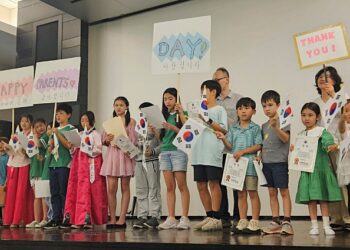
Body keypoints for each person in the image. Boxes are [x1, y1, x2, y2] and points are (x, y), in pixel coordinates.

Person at [294, 102, 342, 235]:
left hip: (321, 170)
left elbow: (328, 142)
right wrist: (294, 152)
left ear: (318, 117)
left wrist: (330, 145)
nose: (306, 118)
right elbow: (298, 152)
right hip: (308, 171)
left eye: (310, 115)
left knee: (323, 199)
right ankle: (314, 225)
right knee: (311, 200)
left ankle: (326, 225)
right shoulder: (301, 134)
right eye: (303, 115)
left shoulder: (322, 131)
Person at [217, 97, 262, 234]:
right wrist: (224, 139)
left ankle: (254, 220)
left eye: (247, 108)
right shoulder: (233, 129)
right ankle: (243, 219)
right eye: (240, 108)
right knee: (241, 194)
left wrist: (243, 151)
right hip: (237, 167)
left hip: (250, 165)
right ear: (237, 111)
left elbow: (258, 145)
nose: (243, 111)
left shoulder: (255, 128)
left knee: (252, 193)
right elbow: (230, 147)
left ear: (253, 111)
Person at [313, 66, 350, 231]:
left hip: (341, 145)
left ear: (335, 80)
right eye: (320, 77)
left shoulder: (343, 97)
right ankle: (336, 218)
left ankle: (348, 217)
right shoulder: (315, 103)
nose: (323, 79)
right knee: (329, 182)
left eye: (327, 77)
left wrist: (334, 96)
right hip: (322, 146)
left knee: (344, 181)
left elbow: (346, 117)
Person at [192, 80, 227, 231]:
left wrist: (207, 119)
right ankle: (209, 215)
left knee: (213, 182)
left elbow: (224, 130)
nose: (202, 94)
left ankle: (217, 218)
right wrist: (182, 113)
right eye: (201, 91)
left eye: (204, 91)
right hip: (198, 150)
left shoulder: (220, 109)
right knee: (200, 184)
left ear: (213, 92)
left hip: (212, 150)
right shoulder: (197, 109)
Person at [62, 111, 108, 229]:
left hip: (91, 164)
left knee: (92, 190)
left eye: (86, 120)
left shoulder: (95, 134)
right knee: (78, 190)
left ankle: (89, 218)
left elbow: (98, 150)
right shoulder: (80, 134)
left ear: (92, 121)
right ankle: (78, 218)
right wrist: (72, 147)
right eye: (82, 120)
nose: (84, 123)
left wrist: (87, 149)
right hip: (79, 166)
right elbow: (74, 152)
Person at [259, 90, 293, 235]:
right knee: (271, 192)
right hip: (266, 163)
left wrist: (276, 127)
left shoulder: (284, 120)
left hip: (280, 162)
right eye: (264, 106)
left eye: (270, 105)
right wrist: (259, 155)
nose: (267, 108)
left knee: (283, 191)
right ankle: (275, 219)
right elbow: (264, 143)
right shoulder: (263, 125)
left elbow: (285, 139)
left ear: (278, 105)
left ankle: (287, 221)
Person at [101, 97, 137, 229]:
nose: (119, 107)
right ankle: (112, 218)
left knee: (125, 187)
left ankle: (122, 218)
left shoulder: (131, 121)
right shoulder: (109, 123)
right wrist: (107, 139)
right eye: (116, 105)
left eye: (121, 105)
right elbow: (103, 141)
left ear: (126, 106)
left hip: (125, 156)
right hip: (113, 156)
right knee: (111, 188)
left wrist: (126, 142)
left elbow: (134, 140)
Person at [157, 88, 190, 230]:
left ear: (177, 99)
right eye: (165, 99)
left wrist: (174, 124)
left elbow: (187, 133)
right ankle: (171, 218)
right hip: (164, 152)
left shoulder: (182, 113)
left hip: (178, 151)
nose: (167, 101)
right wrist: (155, 131)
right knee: (170, 187)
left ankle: (184, 217)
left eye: (170, 98)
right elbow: (162, 139)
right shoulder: (162, 116)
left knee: (182, 186)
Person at [213, 67, 242, 226]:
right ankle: (224, 216)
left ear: (227, 79)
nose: (216, 83)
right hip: (217, 148)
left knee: (236, 184)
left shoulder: (238, 99)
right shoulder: (211, 101)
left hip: (234, 147)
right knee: (220, 183)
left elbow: (243, 123)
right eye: (214, 80)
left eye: (218, 80)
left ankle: (239, 216)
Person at [44, 103, 75, 229]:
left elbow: (69, 146)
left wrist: (57, 134)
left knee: (64, 192)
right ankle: (55, 217)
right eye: (57, 114)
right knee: (54, 192)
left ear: (68, 115)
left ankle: (66, 216)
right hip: (53, 164)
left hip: (64, 164)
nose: (58, 116)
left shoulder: (71, 129)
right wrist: (50, 145)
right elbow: (49, 150)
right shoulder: (53, 130)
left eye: (61, 113)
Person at [133, 102, 162, 229]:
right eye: (141, 111)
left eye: (145, 111)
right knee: (141, 190)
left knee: (153, 189)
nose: (143, 114)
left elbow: (164, 143)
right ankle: (142, 216)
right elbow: (137, 143)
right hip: (139, 161)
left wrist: (154, 151)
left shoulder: (158, 125)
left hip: (152, 161)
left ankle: (155, 216)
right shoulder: (138, 127)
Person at [3, 115, 34, 227]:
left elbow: (30, 153)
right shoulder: (15, 134)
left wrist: (24, 149)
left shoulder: (31, 135)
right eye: (22, 121)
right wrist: (7, 148)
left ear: (31, 123)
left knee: (21, 192)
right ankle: (9, 219)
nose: (24, 123)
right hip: (13, 165)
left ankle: (19, 219)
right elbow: (12, 152)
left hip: (24, 164)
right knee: (11, 193)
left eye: (26, 121)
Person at [26, 118, 49, 228]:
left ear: (45, 125)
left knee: (43, 196)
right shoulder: (33, 138)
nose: (40, 128)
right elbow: (28, 153)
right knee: (37, 197)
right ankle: (36, 219)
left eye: (41, 125)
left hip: (42, 171)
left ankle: (45, 218)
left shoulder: (45, 137)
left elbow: (39, 145)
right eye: (37, 127)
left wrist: (34, 134)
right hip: (34, 170)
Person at [335, 99, 350, 217]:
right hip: (347, 168)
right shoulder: (344, 127)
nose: (348, 113)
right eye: (346, 111)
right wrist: (342, 120)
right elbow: (341, 130)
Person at [0, 137, 9, 225]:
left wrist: (6, 182)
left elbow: (8, 171)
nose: (1, 145)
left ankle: (5, 220)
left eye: (2, 143)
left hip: (4, 183)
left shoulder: (8, 157)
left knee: (3, 204)